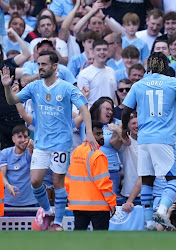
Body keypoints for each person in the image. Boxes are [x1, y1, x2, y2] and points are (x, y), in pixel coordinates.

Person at [0, 50, 98, 231]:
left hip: (62, 142)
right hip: (41, 143)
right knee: (35, 181)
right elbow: (13, 100)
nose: (40, 68)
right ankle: (47, 210)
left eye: (44, 64)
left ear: (55, 67)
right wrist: (7, 87)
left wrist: (89, 133)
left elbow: (84, 108)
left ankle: (58, 223)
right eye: (38, 64)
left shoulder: (67, 88)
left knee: (57, 181)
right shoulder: (34, 87)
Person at [121, 52, 176, 230]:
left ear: (149, 66)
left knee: (147, 179)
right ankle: (162, 210)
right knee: (174, 178)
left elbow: (126, 110)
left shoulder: (139, 85)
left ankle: (149, 222)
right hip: (164, 138)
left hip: (144, 139)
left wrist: (124, 129)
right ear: (165, 66)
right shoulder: (172, 82)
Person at [65, 120, 116, 230]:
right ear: (89, 135)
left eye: (101, 133)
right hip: (98, 206)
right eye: (98, 134)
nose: (102, 136)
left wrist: (71, 197)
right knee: (101, 243)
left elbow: (68, 179)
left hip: (78, 206)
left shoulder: (76, 152)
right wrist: (111, 202)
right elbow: (103, 183)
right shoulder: (98, 155)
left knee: (78, 242)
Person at [0, 125, 36, 211]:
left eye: (25, 137)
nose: (23, 140)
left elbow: (36, 170)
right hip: (9, 202)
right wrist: (7, 185)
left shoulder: (31, 152)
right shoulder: (5, 153)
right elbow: (2, 175)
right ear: (13, 139)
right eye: (19, 137)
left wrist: (32, 151)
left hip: (29, 203)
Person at [90, 97, 122, 194]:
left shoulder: (117, 123)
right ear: (98, 109)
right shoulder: (87, 123)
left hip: (110, 170)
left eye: (111, 109)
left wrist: (117, 130)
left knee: (109, 203)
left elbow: (124, 142)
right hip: (90, 170)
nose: (110, 112)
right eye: (107, 109)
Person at [77, 39, 117, 106]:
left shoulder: (112, 71)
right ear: (92, 52)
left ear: (108, 51)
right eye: (98, 50)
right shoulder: (84, 73)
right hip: (93, 113)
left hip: (111, 112)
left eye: (104, 49)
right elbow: (82, 99)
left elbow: (114, 96)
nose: (102, 52)